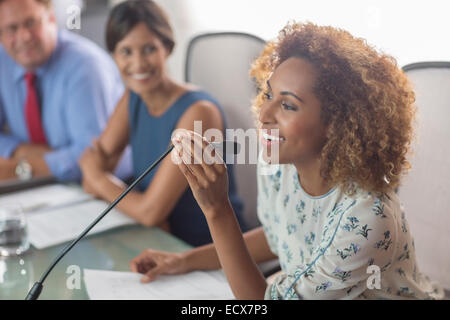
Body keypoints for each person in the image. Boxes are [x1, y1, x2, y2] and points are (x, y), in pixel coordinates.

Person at [129, 22, 445, 300]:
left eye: (289, 106)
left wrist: (217, 210)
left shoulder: (366, 218)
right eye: (268, 95)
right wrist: (184, 260)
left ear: (338, 124)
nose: (264, 115)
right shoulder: (277, 164)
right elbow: (278, 234)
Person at [78, 0, 247, 247]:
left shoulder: (199, 112)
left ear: (167, 48)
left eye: (149, 49)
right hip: (156, 241)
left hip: (206, 250)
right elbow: (90, 176)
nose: (138, 64)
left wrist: (100, 179)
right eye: (126, 51)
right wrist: (98, 178)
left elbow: (149, 212)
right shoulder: (133, 97)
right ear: (113, 55)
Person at [0, 0, 130, 182]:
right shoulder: (3, 60)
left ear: (51, 19)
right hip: (43, 184)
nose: (24, 37)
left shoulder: (85, 66)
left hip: (107, 188)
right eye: (11, 29)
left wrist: (20, 168)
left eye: (31, 23)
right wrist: (20, 151)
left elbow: (91, 159)